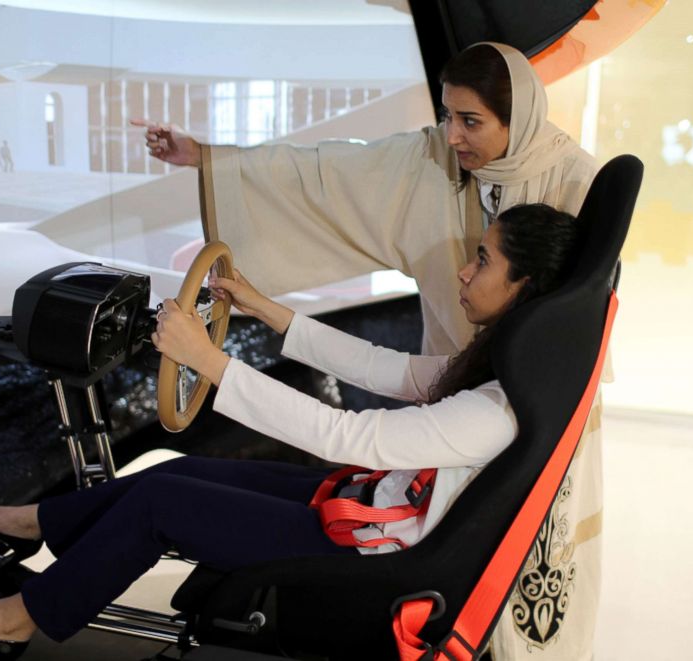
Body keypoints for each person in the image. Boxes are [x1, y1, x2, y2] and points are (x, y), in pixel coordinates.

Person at [0, 203, 583, 647]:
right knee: (181, 469)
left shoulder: (491, 410)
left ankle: (19, 617)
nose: (466, 270)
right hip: (372, 510)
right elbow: (388, 368)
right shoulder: (501, 374)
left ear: (526, 289)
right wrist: (262, 309)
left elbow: (347, 437)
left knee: (162, 501)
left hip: (363, 558)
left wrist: (207, 360)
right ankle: (34, 522)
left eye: (484, 262)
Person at [135, 42, 604, 657]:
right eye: (447, 115)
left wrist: (214, 365)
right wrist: (213, 160)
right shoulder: (436, 157)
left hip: (523, 401)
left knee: (520, 554)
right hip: (451, 375)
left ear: (520, 119)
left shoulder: (575, 178)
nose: (452, 136)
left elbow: (578, 311)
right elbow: (329, 172)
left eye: (471, 121)